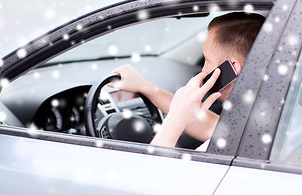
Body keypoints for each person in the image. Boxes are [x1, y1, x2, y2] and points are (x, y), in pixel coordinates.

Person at [110, 12, 265, 148]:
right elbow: (218, 128)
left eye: (206, 60)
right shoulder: (263, 123)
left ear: (233, 68)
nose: (203, 70)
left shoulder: (224, 153)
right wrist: (145, 87)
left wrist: (174, 121)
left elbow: (148, 175)